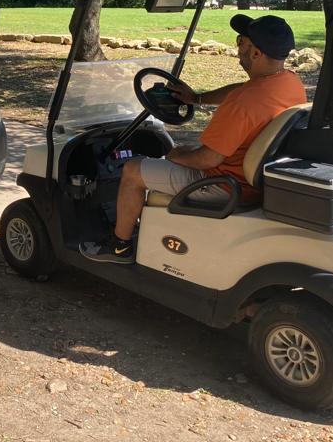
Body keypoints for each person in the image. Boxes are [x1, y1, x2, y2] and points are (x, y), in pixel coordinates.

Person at [81, 14, 307, 264]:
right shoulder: (289, 82)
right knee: (183, 151)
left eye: (241, 41)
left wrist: (173, 154)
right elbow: (240, 88)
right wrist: (197, 99)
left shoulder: (243, 103)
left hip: (222, 186)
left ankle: (119, 245)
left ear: (256, 53)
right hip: (252, 183)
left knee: (133, 170)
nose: (238, 48)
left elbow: (207, 159)